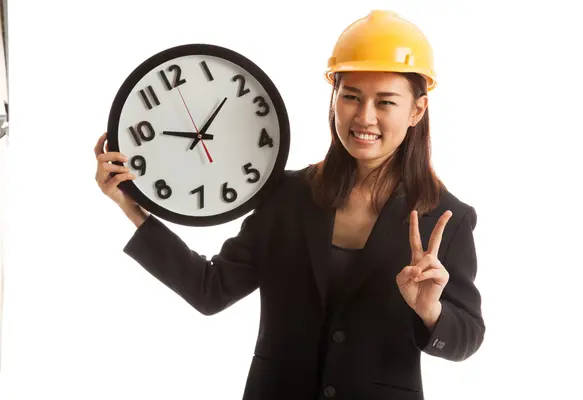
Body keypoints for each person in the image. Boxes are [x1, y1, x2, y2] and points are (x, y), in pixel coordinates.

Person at [94, 10, 484, 400]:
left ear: (417, 109)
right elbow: (209, 290)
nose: (364, 117)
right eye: (350, 96)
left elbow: (467, 336)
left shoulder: (447, 218)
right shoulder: (286, 195)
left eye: (385, 102)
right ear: (334, 98)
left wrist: (431, 312)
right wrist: (133, 209)